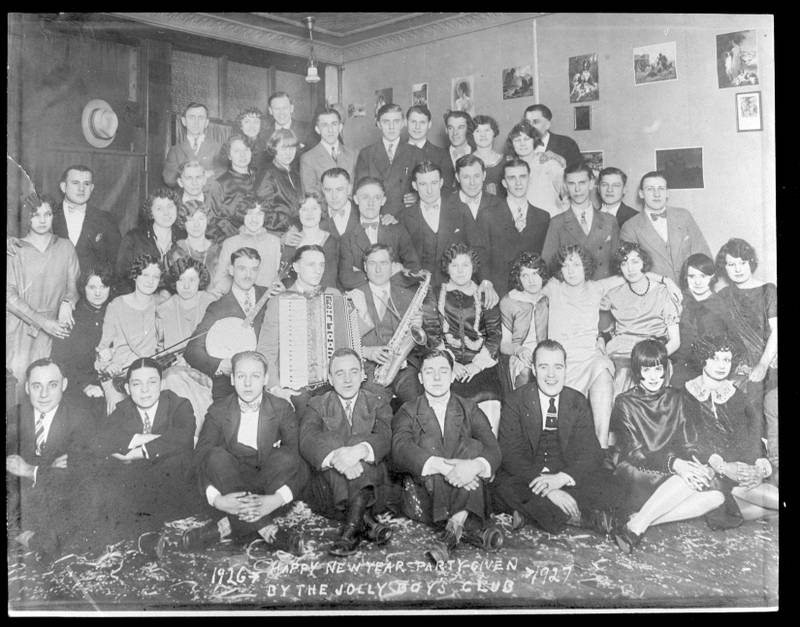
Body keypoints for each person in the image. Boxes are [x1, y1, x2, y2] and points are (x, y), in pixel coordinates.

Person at [541, 245, 676, 448]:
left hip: (589, 354)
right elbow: (527, 294)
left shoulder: (597, 288)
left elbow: (631, 274)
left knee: (603, 370)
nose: (571, 270)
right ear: (559, 269)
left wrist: (666, 280)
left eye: (576, 264)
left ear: (585, 267)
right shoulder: (553, 287)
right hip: (561, 356)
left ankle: (602, 445)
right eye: (565, 265)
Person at [182, 350, 307, 555]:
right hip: (229, 482)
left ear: (266, 379)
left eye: (255, 376)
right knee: (214, 456)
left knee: (287, 458)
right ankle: (267, 529)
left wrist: (276, 500)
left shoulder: (282, 408)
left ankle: (225, 527)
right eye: (241, 376)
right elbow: (199, 461)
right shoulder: (218, 409)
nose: (247, 384)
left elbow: (299, 463)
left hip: (266, 483)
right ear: (232, 379)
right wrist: (218, 500)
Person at [492, 340, 622, 536]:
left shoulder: (576, 400)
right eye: (544, 367)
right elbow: (510, 453)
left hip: (562, 474)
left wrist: (561, 479)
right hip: (529, 477)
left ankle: (531, 513)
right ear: (534, 370)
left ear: (565, 369)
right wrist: (549, 489)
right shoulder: (516, 400)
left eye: (558, 367)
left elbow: (591, 452)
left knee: (609, 482)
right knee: (502, 487)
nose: (551, 375)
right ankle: (575, 516)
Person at [610, 339, 724, 554]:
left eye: (658, 369)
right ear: (637, 371)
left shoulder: (677, 397)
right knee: (686, 481)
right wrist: (676, 464)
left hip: (672, 472)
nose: (653, 376)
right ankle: (636, 527)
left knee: (717, 497)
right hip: (637, 471)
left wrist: (696, 465)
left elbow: (689, 443)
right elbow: (635, 454)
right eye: (647, 370)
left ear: (665, 369)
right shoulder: (624, 402)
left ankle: (639, 521)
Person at [391, 349, 503, 566]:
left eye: (443, 371)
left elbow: (493, 449)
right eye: (429, 372)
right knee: (427, 445)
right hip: (426, 498)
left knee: (473, 448)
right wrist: (445, 467)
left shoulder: (469, 408)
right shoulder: (408, 410)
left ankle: (452, 530)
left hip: (461, 491)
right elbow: (400, 449)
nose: (436, 378)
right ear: (421, 378)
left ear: (452, 376)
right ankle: (469, 530)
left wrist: (474, 467)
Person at [86, 357, 197, 547]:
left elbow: (184, 438)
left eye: (152, 382)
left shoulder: (179, 404)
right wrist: (144, 439)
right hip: (140, 486)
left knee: (172, 460)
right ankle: (143, 535)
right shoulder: (123, 409)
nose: (145, 390)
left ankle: (152, 533)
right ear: (128, 389)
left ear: (161, 384)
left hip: (174, 486)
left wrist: (136, 452)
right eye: (137, 384)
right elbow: (100, 441)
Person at [299, 348, 394, 556]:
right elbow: (307, 440)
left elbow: (386, 437)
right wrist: (336, 457)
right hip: (330, 496)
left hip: (375, 490)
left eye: (353, 372)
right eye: (340, 373)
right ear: (330, 379)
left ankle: (350, 530)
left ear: (363, 375)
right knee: (330, 441)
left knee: (361, 442)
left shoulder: (379, 400)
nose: (347, 379)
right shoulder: (317, 404)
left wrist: (358, 451)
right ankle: (363, 522)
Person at [683, 335, 779, 528]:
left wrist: (756, 470)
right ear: (703, 359)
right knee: (767, 503)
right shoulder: (686, 393)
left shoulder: (737, 395)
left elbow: (751, 436)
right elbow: (688, 440)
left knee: (771, 500)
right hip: (708, 470)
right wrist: (723, 467)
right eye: (715, 358)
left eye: (726, 360)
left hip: (738, 472)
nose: (722, 365)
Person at [7, 359, 94, 558]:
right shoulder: (15, 415)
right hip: (24, 499)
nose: (44, 394)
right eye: (37, 386)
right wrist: (49, 469)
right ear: (27, 387)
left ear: (63, 384)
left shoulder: (80, 417)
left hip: (61, 500)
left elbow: (78, 472)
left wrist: (30, 469)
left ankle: (32, 539)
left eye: (52, 385)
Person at [257, 245, 349, 413]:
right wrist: (275, 388)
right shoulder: (280, 300)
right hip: (295, 384)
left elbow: (345, 340)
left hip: (332, 381)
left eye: (321, 264)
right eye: (311, 264)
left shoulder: (333, 295)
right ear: (296, 267)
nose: (318, 270)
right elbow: (266, 349)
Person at [7, 194, 80, 405]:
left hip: (54, 330)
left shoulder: (65, 247)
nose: (42, 220)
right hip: (19, 329)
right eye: (35, 214)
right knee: (18, 392)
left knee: (48, 390)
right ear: (25, 218)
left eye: (47, 214)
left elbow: (73, 287)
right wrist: (42, 322)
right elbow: (9, 296)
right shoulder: (14, 249)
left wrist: (68, 303)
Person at [347, 243, 441, 405]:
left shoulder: (409, 296)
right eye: (372, 263)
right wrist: (367, 352)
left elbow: (425, 345)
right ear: (365, 267)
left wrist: (418, 327)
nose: (378, 269)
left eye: (383, 263)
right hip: (369, 370)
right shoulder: (352, 297)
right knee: (374, 410)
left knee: (420, 405)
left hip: (404, 368)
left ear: (392, 266)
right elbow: (344, 343)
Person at [400, 161, 496, 306]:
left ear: (441, 182)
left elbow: (477, 247)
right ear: (414, 186)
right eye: (423, 184)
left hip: (459, 290)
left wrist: (486, 280)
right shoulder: (404, 217)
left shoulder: (461, 209)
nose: (429, 190)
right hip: (420, 294)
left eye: (434, 183)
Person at [185, 247, 272, 401]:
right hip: (230, 388)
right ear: (231, 270)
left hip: (268, 383)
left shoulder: (270, 296)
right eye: (242, 269)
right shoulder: (218, 307)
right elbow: (192, 350)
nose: (248, 275)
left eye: (254, 269)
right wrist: (220, 365)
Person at [435, 243, 503, 433]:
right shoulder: (435, 294)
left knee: (490, 398)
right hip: (448, 363)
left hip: (480, 365)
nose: (460, 271)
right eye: (454, 265)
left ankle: (489, 456)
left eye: (465, 265)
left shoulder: (485, 294)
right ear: (446, 268)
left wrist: (476, 365)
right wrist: (450, 364)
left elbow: (495, 336)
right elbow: (432, 333)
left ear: (473, 267)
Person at [602, 241, 681, 396]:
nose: (630, 269)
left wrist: (653, 359)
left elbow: (675, 341)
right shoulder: (613, 294)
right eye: (624, 264)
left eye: (635, 262)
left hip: (653, 354)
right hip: (620, 354)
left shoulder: (663, 293)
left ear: (644, 262)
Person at [714, 238, 777, 423]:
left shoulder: (768, 290)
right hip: (736, 364)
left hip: (768, 359)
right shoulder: (723, 296)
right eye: (731, 264)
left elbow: (776, 331)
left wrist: (763, 364)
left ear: (751, 263)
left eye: (742, 263)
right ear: (724, 267)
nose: (738, 269)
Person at [156, 257, 216, 440]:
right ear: (174, 282)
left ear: (201, 281)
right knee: (174, 377)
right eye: (181, 280)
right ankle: (188, 438)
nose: (186, 286)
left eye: (192, 280)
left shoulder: (212, 303)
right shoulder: (164, 309)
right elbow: (160, 348)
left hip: (205, 370)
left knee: (178, 380)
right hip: (174, 370)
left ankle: (193, 437)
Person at [95, 255, 162, 413]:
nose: (150, 281)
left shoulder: (162, 305)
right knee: (119, 413)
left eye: (155, 276)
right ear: (135, 275)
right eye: (145, 275)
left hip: (151, 372)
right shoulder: (117, 305)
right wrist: (108, 365)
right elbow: (103, 349)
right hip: (120, 374)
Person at [619, 170, 711, 284]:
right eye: (650, 189)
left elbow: (703, 253)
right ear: (641, 194)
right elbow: (630, 269)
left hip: (691, 288)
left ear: (667, 193)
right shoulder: (630, 227)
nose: (656, 194)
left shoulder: (684, 216)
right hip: (655, 293)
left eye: (661, 189)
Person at [477, 158, 550, 297]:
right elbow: (481, 253)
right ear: (504, 183)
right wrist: (486, 282)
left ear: (530, 179)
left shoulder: (543, 217)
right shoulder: (488, 215)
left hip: (532, 293)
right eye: (512, 178)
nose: (518, 183)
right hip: (498, 293)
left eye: (522, 177)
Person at [51, 264, 115, 413]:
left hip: (111, 380)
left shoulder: (115, 310)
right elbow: (60, 361)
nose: (98, 293)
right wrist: (85, 385)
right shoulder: (71, 317)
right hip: (78, 385)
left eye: (104, 286)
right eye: (92, 287)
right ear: (83, 288)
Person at [338, 177, 420, 290]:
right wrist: (389, 272)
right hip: (364, 297)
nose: (371, 203)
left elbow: (414, 268)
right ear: (356, 199)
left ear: (383, 200)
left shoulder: (397, 230)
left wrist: (362, 274)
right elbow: (346, 278)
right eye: (365, 197)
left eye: (376, 197)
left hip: (395, 294)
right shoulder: (347, 238)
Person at [542, 163, 620, 280]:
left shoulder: (609, 221)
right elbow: (548, 265)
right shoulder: (557, 223)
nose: (577, 189)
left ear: (592, 183)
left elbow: (617, 263)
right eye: (571, 184)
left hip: (605, 289)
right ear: (565, 186)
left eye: (582, 183)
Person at [670, 254, 736, 389]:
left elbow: (733, 341)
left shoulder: (721, 306)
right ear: (685, 277)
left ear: (712, 277)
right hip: (682, 366)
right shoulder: (678, 301)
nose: (697, 282)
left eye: (703, 276)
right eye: (692, 276)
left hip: (711, 367)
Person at [355, 103, 425, 217]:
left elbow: (426, 186)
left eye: (396, 121)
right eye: (386, 122)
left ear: (403, 123)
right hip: (377, 215)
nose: (391, 127)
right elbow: (360, 191)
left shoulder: (416, 153)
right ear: (378, 124)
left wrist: (418, 195)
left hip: (407, 216)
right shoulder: (366, 154)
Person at [53, 165, 121, 274]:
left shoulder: (106, 220)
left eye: (86, 184)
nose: (81, 189)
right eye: (75, 183)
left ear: (92, 188)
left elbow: (116, 262)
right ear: (63, 187)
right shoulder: (47, 217)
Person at [116, 188, 184, 294]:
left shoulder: (184, 237)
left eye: (170, 207)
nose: (166, 213)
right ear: (150, 212)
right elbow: (121, 278)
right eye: (159, 208)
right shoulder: (133, 238)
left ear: (177, 209)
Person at [211, 195, 282, 295]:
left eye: (259, 214)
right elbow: (221, 277)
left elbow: (277, 276)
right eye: (249, 214)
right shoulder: (230, 243)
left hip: (266, 300)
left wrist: (280, 288)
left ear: (265, 216)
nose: (254, 219)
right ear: (242, 215)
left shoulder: (275, 242)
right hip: (238, 300)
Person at [499, 252, 549, 390]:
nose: (531, 281)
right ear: (518, 278)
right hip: (518, 352)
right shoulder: (509, 301)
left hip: (545, 350)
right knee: (525, 372)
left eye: (535, 274)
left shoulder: (548, 296)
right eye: (525, 275)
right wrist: (519, 350)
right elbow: (505, 344)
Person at [506, 121, 567, 217]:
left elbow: (567, 193)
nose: (522, 144)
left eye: (526, 139)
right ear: (512, 144)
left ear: (534, 140)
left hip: (551, 221)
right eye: (517, 140)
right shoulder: (510, 169)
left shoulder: (549, 164)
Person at [279, 192, 340, 289]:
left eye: (314, 209)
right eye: (304, 209)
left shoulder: (334, 242)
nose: (309, 214)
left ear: (322, 211)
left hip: (326, 298)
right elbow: (285, 278)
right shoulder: (291, 242)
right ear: (298, 213)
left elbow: (336, 279)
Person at [163, 102, 226, 187]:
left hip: (211, 198)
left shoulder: (218, 147)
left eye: (200, 118)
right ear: (184, 121)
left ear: (206, 122)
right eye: (191, 117)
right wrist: (205, 174)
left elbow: (223, 174)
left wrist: (185, 176)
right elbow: (169, 179)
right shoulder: (175, 151)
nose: (196, 122)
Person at [255, 129, 304, 238]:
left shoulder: (295, 173)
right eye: (283, 148)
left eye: (292, 148)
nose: (288, 153)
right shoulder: (267, 173)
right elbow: (262, 212)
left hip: (297, 231)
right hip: (277, 235)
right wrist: (289, 225)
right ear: (273, 149)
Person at [300, 107, 357, 196]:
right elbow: (309, 192)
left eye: (334, 124)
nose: (330, 130)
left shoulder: (353, 154)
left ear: (340, 127)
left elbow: (357, 187)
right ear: (317, 129)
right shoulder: (308, 158)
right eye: (324, 125)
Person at [170, 193, 221, 288]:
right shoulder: (176, 251)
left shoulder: (218, 251)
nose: (196, 224)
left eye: (201, 219)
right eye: (190, 219)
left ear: (207, 220)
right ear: (183, 223)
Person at [215, 133, 257, 238]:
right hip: (235, 240)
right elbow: (217, 220)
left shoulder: (259, 178)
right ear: (229, 155)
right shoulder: (221, 183)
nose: (243, 155)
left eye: (246, 150)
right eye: (237, 151)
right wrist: (239, 236)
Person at [175, 160, 225, 246]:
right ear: (180, 182)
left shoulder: (216, 202)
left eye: (198, 177)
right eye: (189, 178)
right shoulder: (173, 205)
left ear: (204, 180)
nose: (194, 183)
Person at [406, 105, 455, 191]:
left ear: (429, 125)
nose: (417, 127)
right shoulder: (394, 152)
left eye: (422, 122)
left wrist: (419, 197)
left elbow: (446, 188)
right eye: (413, 122)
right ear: (405, 123)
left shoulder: (442, 155)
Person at [523, 104, 582, 169]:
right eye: (527, 123)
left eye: (536, 122)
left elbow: (578, 172)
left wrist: (560, 160)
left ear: (547, 125)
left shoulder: (567, 144)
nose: (530, 126)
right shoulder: (519, 146)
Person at [452, 154, 503, 226]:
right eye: (466, 177)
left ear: (484, 175)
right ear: (457, 177)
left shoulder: (499, 204)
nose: (472, 182)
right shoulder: (446, 206)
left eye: (476, 176)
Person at [263, 91, 314, 158]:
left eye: (285, 108)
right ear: (270, 110)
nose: (281, 113)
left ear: (291, 108)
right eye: (277, 109)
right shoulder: (264, 134)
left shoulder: (308, 130)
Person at [319, 167, 361, 239]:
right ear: (323, 190)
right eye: (328, 190)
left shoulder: (364, 212)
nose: (334, 196)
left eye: (339, 189)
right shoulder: (314, 216)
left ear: (349, 189)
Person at [471, 115, 506, 196]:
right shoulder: (466, 162)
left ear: (494, 132)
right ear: (472, 134)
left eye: (487, 130)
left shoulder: (505, 161)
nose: (482, 135)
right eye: (477, 131)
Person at [234, 107, 270, 186]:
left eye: (256, 122)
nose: (251, 126)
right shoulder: (232, 145)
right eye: (247, 122)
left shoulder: (267, 148)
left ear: (261, 125)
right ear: (240, 125)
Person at [444, 110, 474, 192]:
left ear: (468, 129)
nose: (455, 133)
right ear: (446, 130)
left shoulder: (478, 154)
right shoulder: (437, 156)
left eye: (460, 127)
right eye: (450, 128)